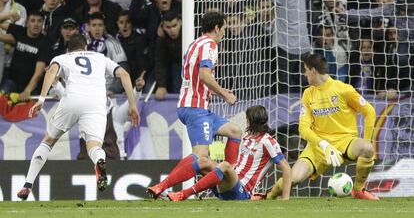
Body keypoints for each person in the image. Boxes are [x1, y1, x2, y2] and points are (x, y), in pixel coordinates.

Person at [16, 34, 140, 200]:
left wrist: (41, 99)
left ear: (69, 49)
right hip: (96, 103)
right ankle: (99, 161)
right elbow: (124, 74)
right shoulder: (99, 57)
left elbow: (52, 71)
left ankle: (28, 184)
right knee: (94, 146)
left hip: (72, 100)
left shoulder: (62, 58)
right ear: (86, 47)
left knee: (49, 141)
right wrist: (132, 105)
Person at [147, 11, 242, 199]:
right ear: (216, 28)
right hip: (195, 108)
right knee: (201, 156)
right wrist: (225, 95)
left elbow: (194, 79)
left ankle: (229, 174)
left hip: (192, 105)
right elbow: (204, 76)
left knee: (235, 131)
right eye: (223, 29)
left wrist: (216, 90)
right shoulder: (210, 45)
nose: (224, 33)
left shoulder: (194, 44)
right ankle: (161, 186)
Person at [266, 53, 379, 200]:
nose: (305, 74)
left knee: (367, 148)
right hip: (317, 148)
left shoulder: (343, 89)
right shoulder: (308, 94)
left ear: (313, 71)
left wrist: (367, 139)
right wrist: (324, 144)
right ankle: (268, 196)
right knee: (293, 178)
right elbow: (303, 128)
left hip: (345, 142)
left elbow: (369, 112)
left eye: (306, 70)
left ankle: (358, 190)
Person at [167, 105, 291, 201]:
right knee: (203, 160)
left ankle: (184, 194)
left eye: (247, 119)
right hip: (228, 185)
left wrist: (285, 198)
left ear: (251, 121)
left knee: (225, 165)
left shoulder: (268, 141)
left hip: (242, 191)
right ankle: (163, 187)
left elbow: (286, 168)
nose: (246, 121)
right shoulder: (248, 135)